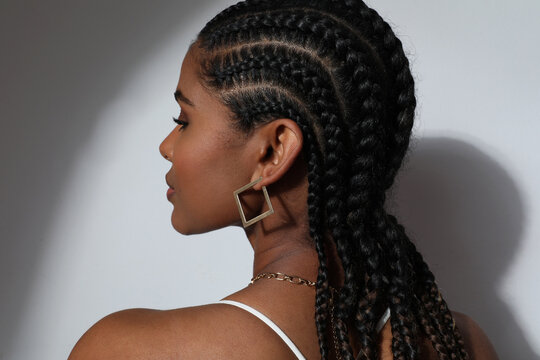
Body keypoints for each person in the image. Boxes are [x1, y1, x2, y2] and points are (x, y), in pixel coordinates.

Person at [68, 0, 500, 359]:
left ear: (273, 153)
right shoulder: (459, 343)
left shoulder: (126, 348)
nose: (167, 145)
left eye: (183, 119)